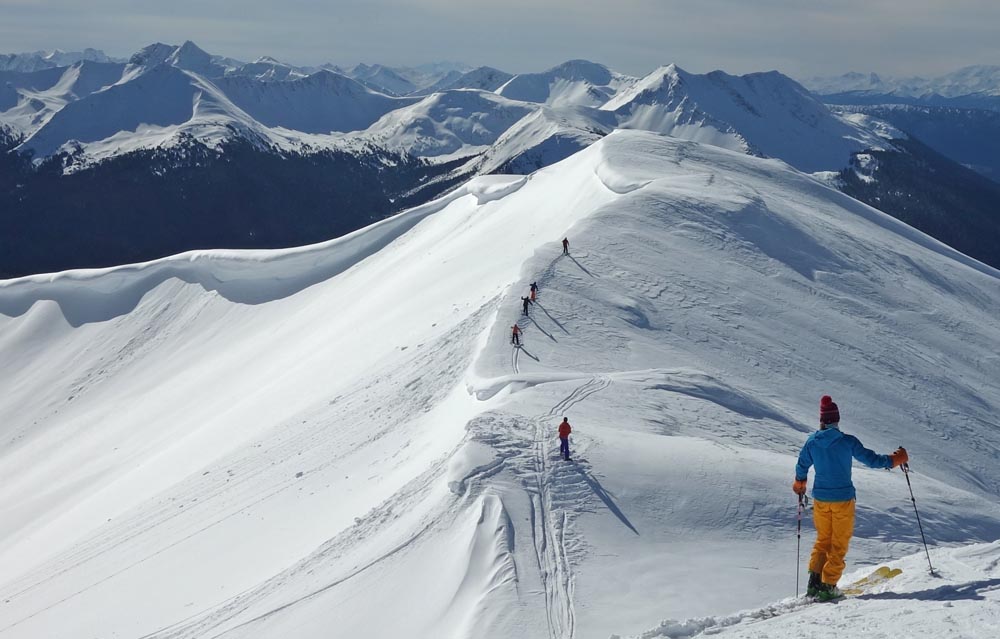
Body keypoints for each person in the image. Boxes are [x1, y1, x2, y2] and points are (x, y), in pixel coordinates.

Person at [793, 395, 908, 600]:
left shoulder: (812, 442)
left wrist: (800, 483)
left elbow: (802, 465)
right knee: (838, 543)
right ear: (837, 420)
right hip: (843, 499)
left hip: (820, 499)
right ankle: (829, 585)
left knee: (823, 540)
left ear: (822, 420)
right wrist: (895, 459)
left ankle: (814, 582)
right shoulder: (847, 441)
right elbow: (872, 460)